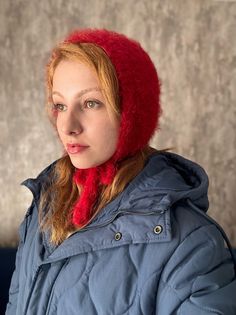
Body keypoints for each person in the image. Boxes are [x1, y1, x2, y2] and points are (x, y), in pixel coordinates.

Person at [6, 28, 236, 315]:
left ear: (131, 111)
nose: (67, 126)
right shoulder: (43, 206)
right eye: (60, 105)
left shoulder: (191, 243)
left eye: (91, 103)